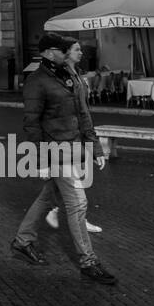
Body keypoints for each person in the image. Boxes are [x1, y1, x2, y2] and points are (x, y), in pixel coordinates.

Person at [10, 33, 114, 283]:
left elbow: (83, 114)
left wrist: (95, 147)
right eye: (61, 50)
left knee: (47, 197)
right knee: (78, 203)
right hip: (55, 151)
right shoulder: (36, 81)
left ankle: (22, 242)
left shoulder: (68, 76)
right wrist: (41, 161)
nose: (66, 53)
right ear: (48, 52)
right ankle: (88, 261)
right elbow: (32, 124)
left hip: (72, 147)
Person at [46, 38, 102, 234]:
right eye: (77, 49)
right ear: (67, 53)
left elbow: (83, 109)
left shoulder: (77, 74)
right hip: (68, 137)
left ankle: (52, 210)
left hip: (76, 134)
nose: (81, 52)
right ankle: (77, 220)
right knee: (75, 181)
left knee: (65, 179)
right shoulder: (63, 77)